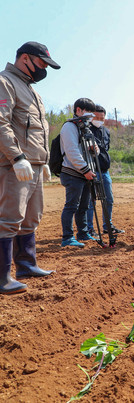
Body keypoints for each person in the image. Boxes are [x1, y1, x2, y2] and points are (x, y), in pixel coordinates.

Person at [0, 41, 59, 293]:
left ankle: (26, 265)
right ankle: (2, 277)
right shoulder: (6, 82)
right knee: (9, 218)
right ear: (26, 58)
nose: (44, 69)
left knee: (31, 218)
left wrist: (42, 162)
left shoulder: (32, 90)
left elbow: (38, 131)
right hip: (16, 165)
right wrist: (16, 157)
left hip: (34, 165)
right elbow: (1, 123)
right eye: (42, 63)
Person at [60, 98, 98, 247]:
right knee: (71, 206)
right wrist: (85, 169)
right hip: (72, 172)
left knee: (84, 206)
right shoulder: (69, 127)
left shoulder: (85, 127)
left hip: (84, 173)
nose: (90, 115)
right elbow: (71, 151)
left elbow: (95, 149)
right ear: (78, 110)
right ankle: (67, 237)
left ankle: (83, 233)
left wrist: (94, 149)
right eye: (87, 111)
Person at [85, 104, 124, 236]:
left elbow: (105, 149)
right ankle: (89, 228)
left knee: (108, 198)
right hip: (91, 170)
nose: (99, 119)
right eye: (96, 117)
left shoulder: (106, 131)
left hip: (104, 170)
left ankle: (108, 225)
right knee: (92, 200)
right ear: (91, 116)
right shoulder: (86, 130)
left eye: (102, 117)